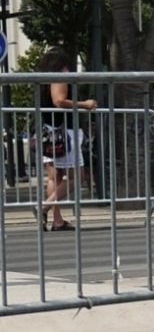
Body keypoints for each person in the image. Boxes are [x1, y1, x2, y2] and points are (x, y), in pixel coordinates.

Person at [36, 46, 95, 231]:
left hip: (49, 131)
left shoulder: (43, 80)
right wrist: (84, 104)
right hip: (65, 132)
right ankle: (44, 208)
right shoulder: (59, 77)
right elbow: (59, 101)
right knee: (76, 176)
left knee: (54, 177)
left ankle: (57, 220)